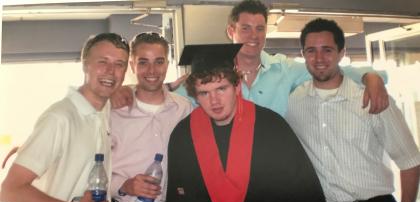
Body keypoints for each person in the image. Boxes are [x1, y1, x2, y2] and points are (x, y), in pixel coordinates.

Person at [162, 43, 326, 202]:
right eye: (204, 93)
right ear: (194, 94)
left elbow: (302, 186)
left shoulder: (271, 126)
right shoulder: (184, 136)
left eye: (221, 89)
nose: (214, 101)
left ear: (237, 85)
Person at [286, 18, 420, 202]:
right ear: (303, 55)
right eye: (311, 51)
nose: (319, 58)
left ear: (342, 53)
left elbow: (410, 160)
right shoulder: (295, 102)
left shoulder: (372, 98)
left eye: (327, 50)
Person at [0, 33, 129, 202]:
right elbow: (9, 191)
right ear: (85, 64)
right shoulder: (59, 118)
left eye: (119, 64)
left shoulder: (103, 110)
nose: (111, 71)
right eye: (102, 62)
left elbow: (129, 89)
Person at [111, 0, 389, 117]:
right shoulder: (209, 73)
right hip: (228, 177)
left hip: (276, 176)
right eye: (245, 28)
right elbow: (164, 97)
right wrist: (130, 90)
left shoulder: (285, 69)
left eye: (259, 28)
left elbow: (329, 69)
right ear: (230, 30)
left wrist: (372, 77)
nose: (253, 36)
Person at [110, 32, 192, 202]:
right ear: (132, 65)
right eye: (143, 62)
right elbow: (93, 165)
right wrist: (124, 185)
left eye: (159, 61)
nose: (152, 70)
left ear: (168, 63)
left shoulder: (183, 108)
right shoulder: (112, 110)